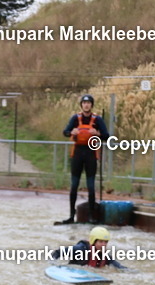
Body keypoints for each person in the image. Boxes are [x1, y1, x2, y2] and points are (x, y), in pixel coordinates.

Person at [56, 94, 109, 225]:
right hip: (78, 153)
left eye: (88, 103)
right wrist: (70, 132)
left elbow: (107, 136)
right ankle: (71, 216)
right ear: (81, 105)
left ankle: (91, 216)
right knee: (74, 185)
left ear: (91, 105)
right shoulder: (75, 118)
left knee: (91, 187)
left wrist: (97, 134)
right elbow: (65, 131)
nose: (86, 105)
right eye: (84, 103)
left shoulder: (98, 119)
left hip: (91, 153)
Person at [51, 226, 124, 268]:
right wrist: (53, 263)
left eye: (105, 242)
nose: (103, 245)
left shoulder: (106, 256)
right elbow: (58, 252)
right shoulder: (81, 249)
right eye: (100, 242)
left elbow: (119, 266)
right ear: (93, 241)